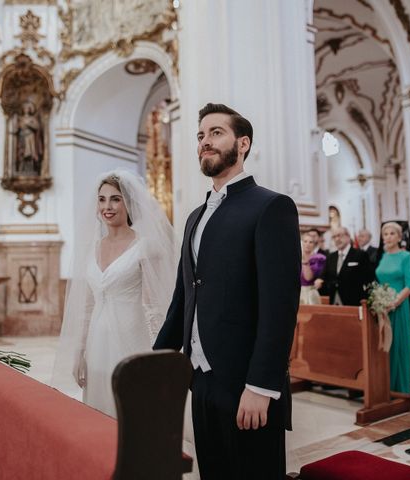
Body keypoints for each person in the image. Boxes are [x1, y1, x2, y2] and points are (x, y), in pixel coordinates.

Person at [153, 103, 300, 479]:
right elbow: (184, 297)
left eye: (216, 133)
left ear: (243, 143)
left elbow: (279, 308)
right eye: (201, 135)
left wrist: (262, 386)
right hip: (201, 379)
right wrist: (157, 361)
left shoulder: (271, 207)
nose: (205, 142)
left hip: (246, 382)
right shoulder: (194, 217)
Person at [52, 169, 175, 417]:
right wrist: (79, 352)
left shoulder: (146, 247)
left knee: (135, 408)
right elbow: (87, 306)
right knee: (100, 411)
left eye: (115, 199)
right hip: (98, 340)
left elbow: (155, 308)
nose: (107, 206)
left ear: (129, 203)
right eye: (102, 199)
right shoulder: (92, 249)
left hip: (133, 338)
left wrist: (157, 355)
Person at [375, 222, 410, 394]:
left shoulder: (406, 256)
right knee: (385, 346)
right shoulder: (383, 256)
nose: (388, 236)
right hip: (382, 307)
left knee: (397, 344)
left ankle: (400, 387)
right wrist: (378, 299)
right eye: (385, 234)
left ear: (399, 237)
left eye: (392, 233)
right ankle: (385, 384)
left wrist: (394, 302)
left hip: (398, 307)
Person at [319, 226, 374, 306]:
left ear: (348, 237)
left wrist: (366, 300)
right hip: (333, 300)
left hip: (354, 301)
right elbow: (325, 277)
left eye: (340, 235)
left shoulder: (360, 255)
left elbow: (369, 279)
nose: (337, 239)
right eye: (334, 237)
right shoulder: (331, 257)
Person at [300, 231, 326, 304]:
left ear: (314, 245)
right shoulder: (295, 258)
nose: (307, 244)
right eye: (305, 241)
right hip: (297, 292)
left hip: (311, 293)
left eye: (310, 242)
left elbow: (308, 278)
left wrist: (305, 261)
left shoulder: (319, 258)